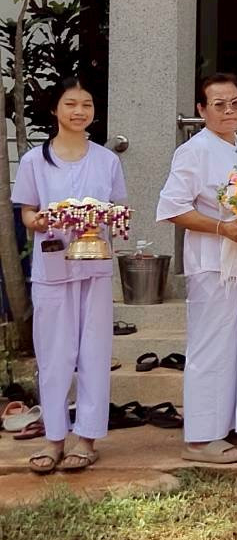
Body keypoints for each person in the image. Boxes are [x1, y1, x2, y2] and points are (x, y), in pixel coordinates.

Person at [14, 79, 126, 474]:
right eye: (71, 104)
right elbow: (27, 212)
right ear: (55, 109)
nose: (79, 111)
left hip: (94, 267)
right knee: (54, 354)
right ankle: (54, 438)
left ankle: (87, 437)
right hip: (52, 266)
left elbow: (117, 208)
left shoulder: (106, 160)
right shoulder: (34, 161)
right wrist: (40, 220)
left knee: (94, 352)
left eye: (87, 104)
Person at [157, 74, 237, 465]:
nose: (228, 111)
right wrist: (221, 227)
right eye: (219, 104)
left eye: (235, 103)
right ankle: (202, 437)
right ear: (202, 110)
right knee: (211, 346)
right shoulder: (194, 151)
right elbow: (173, 208)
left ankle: (232, 424)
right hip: (211, 262)